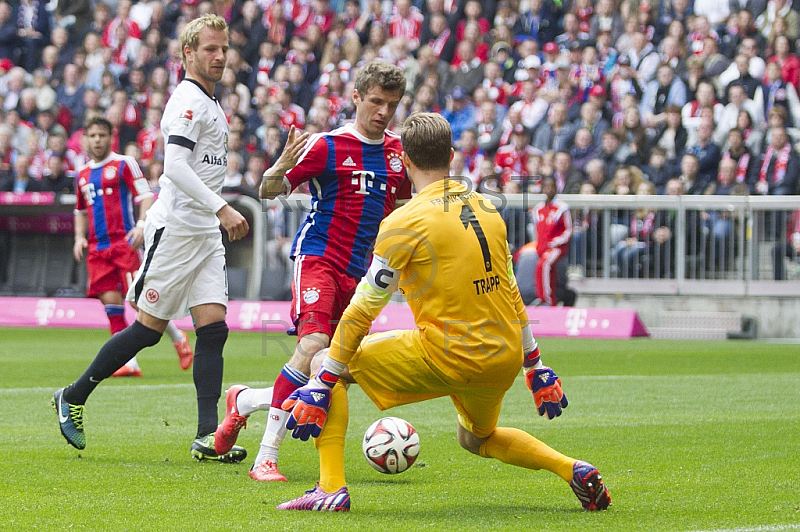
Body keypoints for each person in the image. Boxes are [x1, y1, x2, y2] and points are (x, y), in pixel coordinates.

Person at [273, 113, 610, 512]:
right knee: (476, 439)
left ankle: (330, 489)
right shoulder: (488, 209)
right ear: (451, 156)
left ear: (404, 159)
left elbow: (363, 310)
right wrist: (534, 365)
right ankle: (572, 469)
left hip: (447, 352)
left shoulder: (403, 221)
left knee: (323, 361)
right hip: (501, 355)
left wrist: (323, 383)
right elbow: (511, 290)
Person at [53, 15, 250, 463]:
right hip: (178, 229)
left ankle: (208, 436)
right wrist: (221, 207)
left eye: (223, 49)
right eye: (209, 50)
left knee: (214, 331)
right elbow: (175, 168)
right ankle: (73, 395)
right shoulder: (187, 100)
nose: (219, 56)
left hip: (205, 235)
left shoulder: (212, 103)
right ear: (188, 53)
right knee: (146, 331)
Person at [215, 61, 411, 482]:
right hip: (319, 257)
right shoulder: (327, 145)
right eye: (376, 101)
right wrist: (280, 165)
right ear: (357, 97)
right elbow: (269, 191)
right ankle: (265, 458)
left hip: (364, 274)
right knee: (313, 346)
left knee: (335, 366)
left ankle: (246, 400)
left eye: (391, 105)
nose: (383, 112)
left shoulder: (399, 153)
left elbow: (401, 212)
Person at [73, 116, 194, 378]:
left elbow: (145, 195)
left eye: (101, 135)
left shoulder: (124, 164)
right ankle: (129, 363)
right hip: (97, 248)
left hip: (123, 243)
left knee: (140, 302)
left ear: (111, 137)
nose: (97, 140)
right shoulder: (82, 173)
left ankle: (178, 338)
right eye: (92, 136)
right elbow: (80, 210)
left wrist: (140, 225)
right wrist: (79, 237)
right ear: (85, 139)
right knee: (111, 306)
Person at [532, 175, 572, 305]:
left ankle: (545, 299)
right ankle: (551, 300)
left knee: (543, 265)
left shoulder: (562, 208)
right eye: (546, 186)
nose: (549, 189)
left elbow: (568, 230)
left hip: (557, 247)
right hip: (542, 247)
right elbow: (537, 229)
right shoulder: (538, 209)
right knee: (549, 272)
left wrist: (556, 242)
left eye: (552, 187)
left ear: (556, 188)